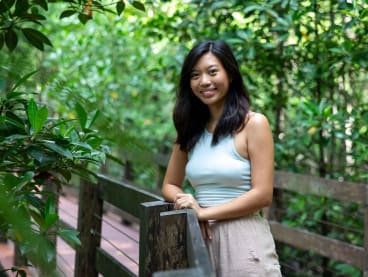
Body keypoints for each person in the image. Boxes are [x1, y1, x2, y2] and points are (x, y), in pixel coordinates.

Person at [161, 40, 281, 277]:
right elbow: (169, 184)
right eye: (195, 75)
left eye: (212, 72)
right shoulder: (190, 129)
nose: (204, 81)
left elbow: (263, 194)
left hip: (243, 238)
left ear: (231, 74)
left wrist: (205, 213)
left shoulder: (254, 124)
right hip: (199, 239)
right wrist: (188, 202)